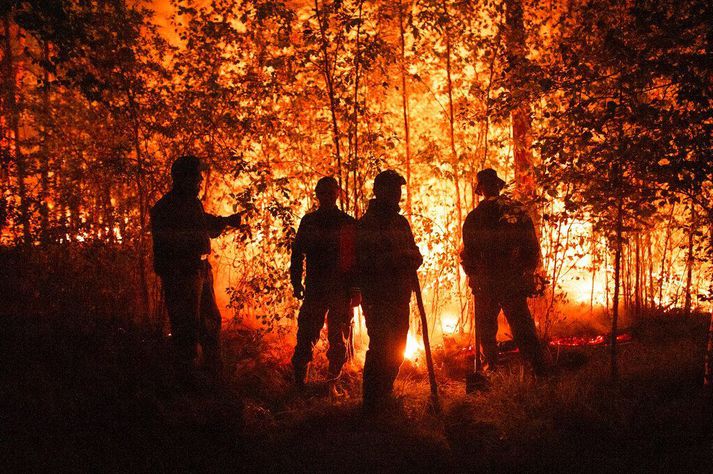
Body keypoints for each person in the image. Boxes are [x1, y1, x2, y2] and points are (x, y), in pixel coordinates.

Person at [150, 155, 243, 380]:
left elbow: (203, 222)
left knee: (209, 322)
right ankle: (187, 381)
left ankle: (212, 374)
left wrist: (225, 221)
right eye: (196, 176)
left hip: (199, 270)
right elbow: (175, 242)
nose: (201, 180)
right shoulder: (166, 208)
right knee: (186, 328)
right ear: (182, 178)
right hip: (183, 275)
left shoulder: (191, 203)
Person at [461, 168, 546, 375]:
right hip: (504, 280)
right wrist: (526, 271)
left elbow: (468, 254)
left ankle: (494, 370)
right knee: (515, 327)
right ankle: (535, 369)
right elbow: (531, 247)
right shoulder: (514, 212)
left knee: (491, 329)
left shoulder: (476, 217)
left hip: (493, 281)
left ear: (481, 189)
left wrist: (473, 275)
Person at [356, 170, 422, 411]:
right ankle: (372, 403)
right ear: (379, 191)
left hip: (400, 296)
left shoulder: (400, 222)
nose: (398, 194)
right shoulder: (367, 225)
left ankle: (385, 393)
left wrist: (414, 257)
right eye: (393, 189)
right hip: (378, 297)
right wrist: (398, 258)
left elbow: (414, 252)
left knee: (397, 348)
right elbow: (364, 263)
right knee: (381, 347)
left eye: (399, 190)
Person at [290, 177, 358, 387]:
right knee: (307, 335)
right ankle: (300, 384)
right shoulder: (310, 222)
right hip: (316, 288)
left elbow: (355, 259)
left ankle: (332, 384)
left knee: (338, 340)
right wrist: (296, 281)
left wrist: (355, 289)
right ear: (317, 195)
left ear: (337, 193)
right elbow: (297, 253)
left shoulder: (347, 223)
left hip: (340, 289)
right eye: (322, 193)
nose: (326, 197)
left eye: (330, 193)